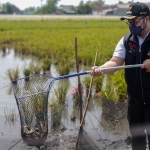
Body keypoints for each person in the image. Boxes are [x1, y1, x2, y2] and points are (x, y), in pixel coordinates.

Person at [91, 2, 150, 150]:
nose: (131, 25)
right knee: (137, 139)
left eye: (135, 21)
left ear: (147, 19)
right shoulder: (126, 41)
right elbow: (114, 62)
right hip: (134, 100)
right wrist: (101, 69)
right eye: (129, 22)